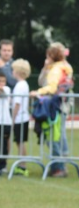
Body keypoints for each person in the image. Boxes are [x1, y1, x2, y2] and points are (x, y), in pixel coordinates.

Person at [30, 42, 74, 178]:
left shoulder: (57, 69)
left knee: (55, 136)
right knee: (57, 135)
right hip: (58, 105)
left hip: (55, 106)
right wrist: (45, 68)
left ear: (51, 55)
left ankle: (59, 166)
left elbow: (51, 87)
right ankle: (58, 165)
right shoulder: (62, 68)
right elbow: (42, 80)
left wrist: (38, 92)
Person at [11, 58, 32, 176]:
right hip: (23, 117)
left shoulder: (20, 85)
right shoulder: (24, 85)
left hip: (20, 118)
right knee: (20, 142)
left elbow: (17, 104)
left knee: (20, 142)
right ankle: (21, 165)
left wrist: (13, 119)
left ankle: (22, 166)